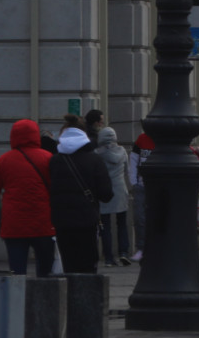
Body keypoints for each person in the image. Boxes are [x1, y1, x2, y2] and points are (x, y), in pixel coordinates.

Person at [0, 119, 57, 275]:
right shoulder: (47, 158)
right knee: (46, 272)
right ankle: (44, 297)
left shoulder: (4, 160)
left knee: (16, 273)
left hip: (14, 225)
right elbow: (56, 191)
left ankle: (17, 298)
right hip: (43, 224)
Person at [49, 115, 113, 274]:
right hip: (87, 220)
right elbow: (106, 194)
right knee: (87, 264)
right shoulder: (95, 160)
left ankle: (70, 296)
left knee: (68, 263)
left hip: (61, 220)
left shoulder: (55, 161)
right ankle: (86, 297)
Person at [95, 127, 131, 266]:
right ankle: (123, 252)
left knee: (105, 225)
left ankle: (109, 257)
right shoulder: (122, 152)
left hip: (104, 191)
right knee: (122, 223)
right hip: (120, 189)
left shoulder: (97, 154)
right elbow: (127, 170)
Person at [128, 134, 153, 261]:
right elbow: (133, 159)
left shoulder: (165, 137)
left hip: (158, 185)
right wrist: (134, 182)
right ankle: (141, 248)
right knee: (139, 218)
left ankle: (154, 247)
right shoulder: (142, 139)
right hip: (141, 185)